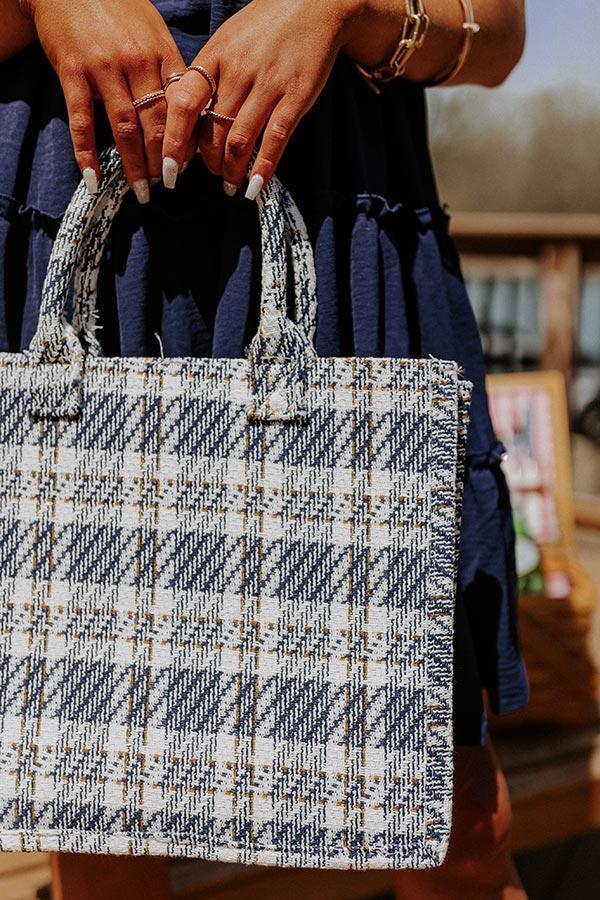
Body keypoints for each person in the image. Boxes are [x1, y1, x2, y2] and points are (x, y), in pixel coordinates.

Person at [0, 1, 529, 896]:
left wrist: (343, 9)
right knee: (87, 788)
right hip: (86, 214)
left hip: (335, 223)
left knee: (453, 810)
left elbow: (498, 35)